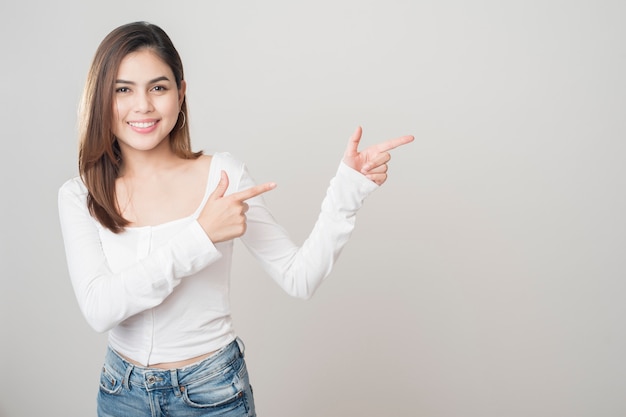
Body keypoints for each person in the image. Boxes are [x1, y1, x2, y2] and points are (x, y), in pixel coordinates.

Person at [58, 21, 414, 417]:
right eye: (123, 90)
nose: (142, 105)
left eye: (158, 87)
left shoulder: (221, 176)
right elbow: (100, 309)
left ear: (181, 93)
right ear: (101, 98)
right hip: (121, 394)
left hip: (212, 393)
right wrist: (200, 236)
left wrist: (347, 190)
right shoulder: (80, 194)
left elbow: (300, 277)